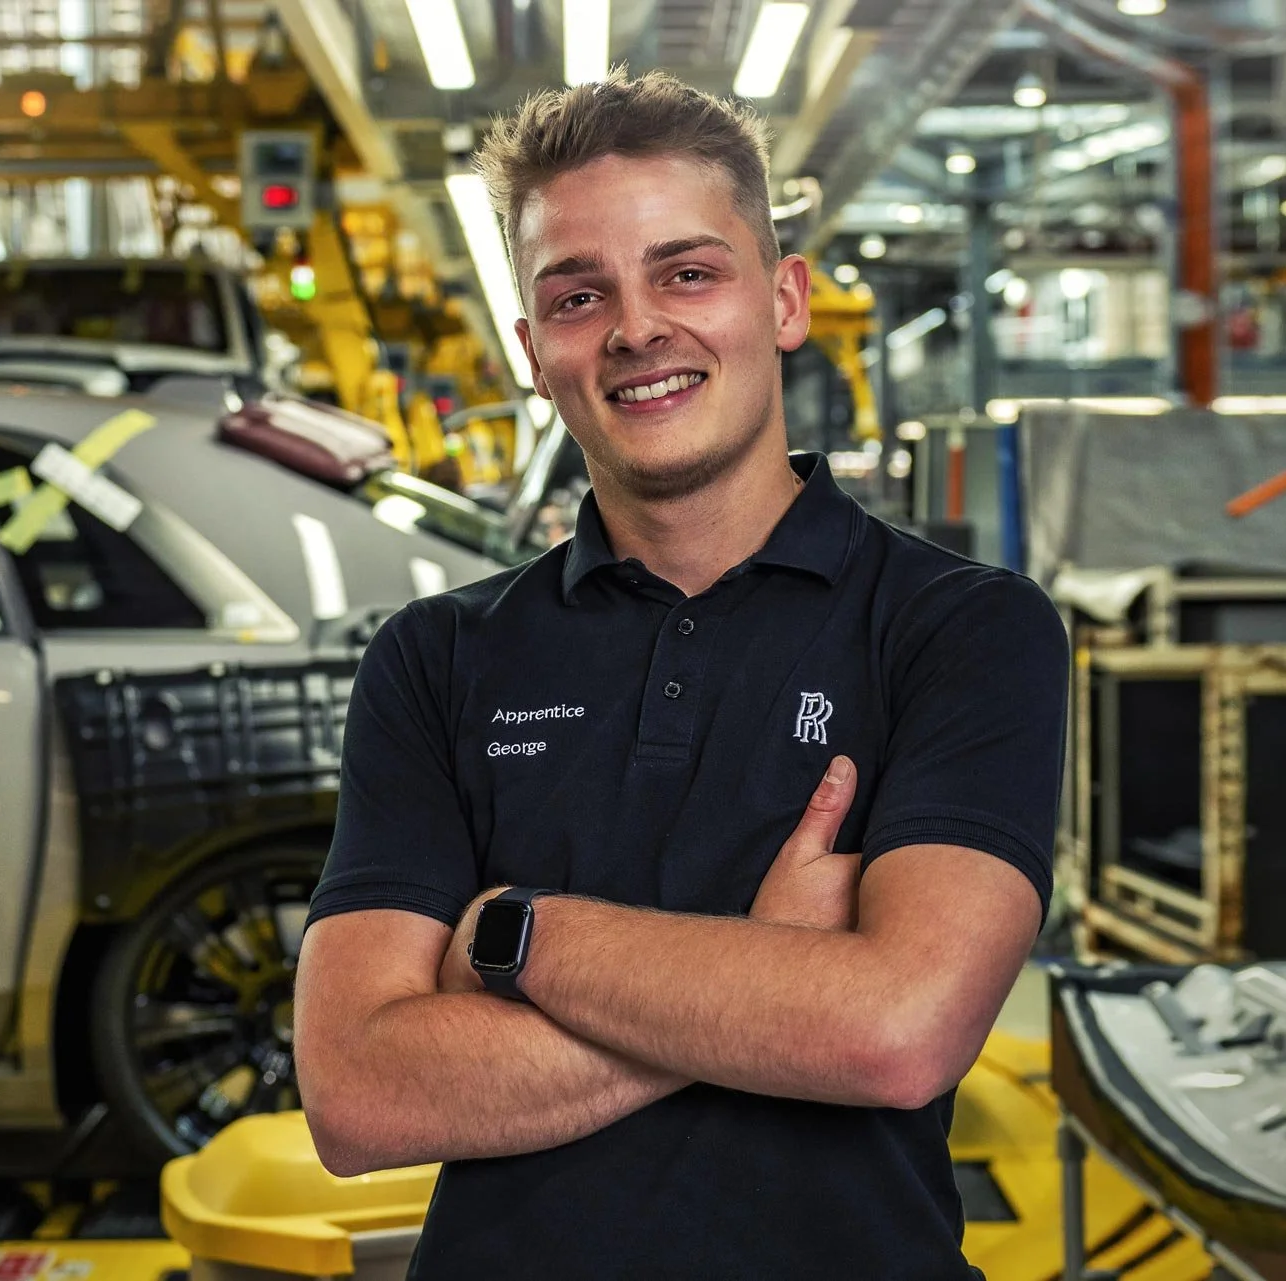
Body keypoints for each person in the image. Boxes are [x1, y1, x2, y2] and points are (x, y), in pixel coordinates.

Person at [294, 69, 1068, 1280]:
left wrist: (512, 935)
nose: (637, 327)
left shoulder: (960, 629)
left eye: (688, 272)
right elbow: (359, 1097)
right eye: (577, 294)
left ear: (786, 299)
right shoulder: (438, 658)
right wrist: (774, 971)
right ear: (533, 351)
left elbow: (898, 1032)